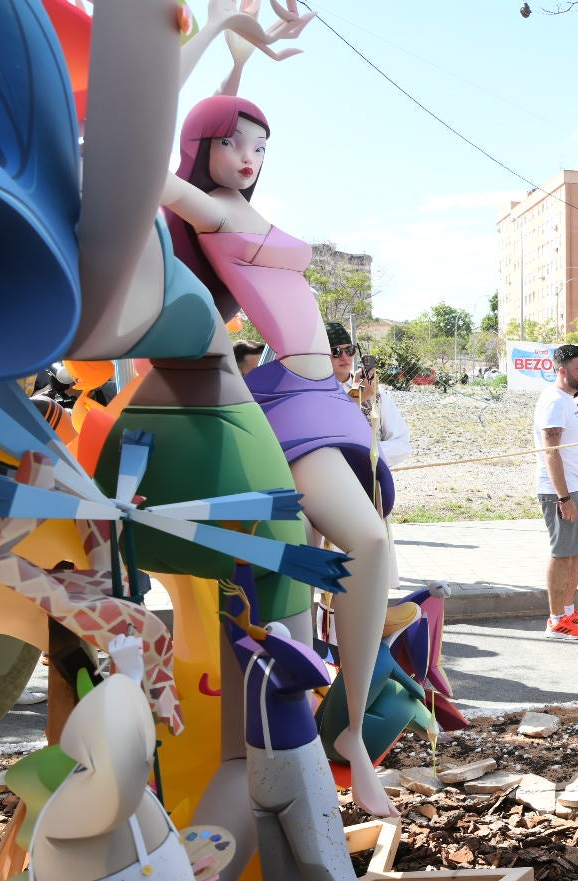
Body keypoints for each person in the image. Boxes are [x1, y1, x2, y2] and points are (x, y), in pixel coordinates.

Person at [163, 95, 398, 818]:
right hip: (291, 395)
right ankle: (351, 736)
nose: (249, 159)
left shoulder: (242, 209)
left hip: (320, 388)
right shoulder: (211, 210)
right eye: (234, 143)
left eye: (261, 148)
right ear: (201, 143)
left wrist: (231, 44)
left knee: (342, 547)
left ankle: (329, 731)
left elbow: (212, 125)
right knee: (364, 541)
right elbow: (143, 167)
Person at [534, 344, 578, 642]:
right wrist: (564, 497)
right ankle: (556, 621)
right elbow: (551, 452)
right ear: (561, 371)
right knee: (562, 554)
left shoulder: (566, 400)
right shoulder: (555, 401)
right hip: (560, 492)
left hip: (573, 489)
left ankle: (568, 611)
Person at [327, 322, 412, 468]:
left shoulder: (376, 392)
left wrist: (367, 455)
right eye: (336, 352)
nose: (345, 357)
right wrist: (356, 396)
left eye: (350, 350)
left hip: (371, 481)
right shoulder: (316, 394)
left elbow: (401, 444)